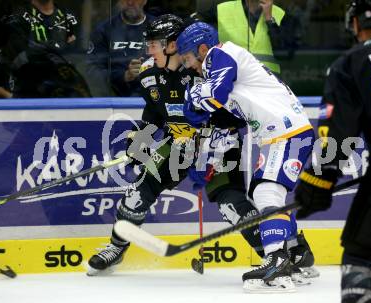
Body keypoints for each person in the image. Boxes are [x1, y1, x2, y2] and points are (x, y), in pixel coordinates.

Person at [86, 14, 273, 277]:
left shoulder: (202, 68)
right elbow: (153, 116)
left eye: (152, 44)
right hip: (177, 145)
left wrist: (205, 134)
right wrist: (139, 141)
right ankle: (116, 247)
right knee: (138, 190)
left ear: (171, 45)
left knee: (231, 205)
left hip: (217, 145)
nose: (147, 50)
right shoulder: (149, 75)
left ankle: (279, 254)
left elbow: (233, 114)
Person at [176, 21, 316, 292]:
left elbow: (215, 94)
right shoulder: (226, 70)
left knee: (266, 193)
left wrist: (193, 97)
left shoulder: (221, 54)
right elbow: (225, 113)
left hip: (285, 132)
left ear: (202, 49)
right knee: (268, 193)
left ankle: (276, 261)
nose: (188, 65)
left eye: (188, 57)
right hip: (283, 133)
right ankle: (295, 255)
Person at [293, 0, 371, 302]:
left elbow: (337, 137)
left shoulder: (350, 64)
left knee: (359, 259)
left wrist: (317, 183)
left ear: (355, 25)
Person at [86, 0, 155, 97]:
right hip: (114, 99)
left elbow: (171, 65)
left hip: (153, 97)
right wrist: (124, 75)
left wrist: (148, 70)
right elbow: (92, 72)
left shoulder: (157, 27)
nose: (130, 2)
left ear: (145, 1)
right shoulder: (104, 30)